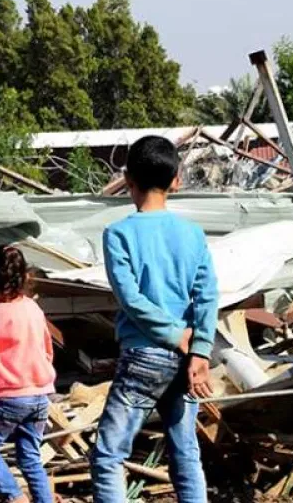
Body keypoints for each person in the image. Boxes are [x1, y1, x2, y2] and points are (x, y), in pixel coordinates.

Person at [90, 136, 217, 503]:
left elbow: (130, 298)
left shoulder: (118, 234)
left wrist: (171, 333)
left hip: (145, 356)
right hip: (187, 359)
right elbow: (207, 294)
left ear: (128, 178)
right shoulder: (192, 234)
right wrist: (201, 351)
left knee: (108, 456)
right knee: (185, 453)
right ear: (176, 179)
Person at [0, 246, 56, 503]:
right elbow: (47, 350)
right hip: (40, 394)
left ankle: (14, 495)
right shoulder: (33, 309)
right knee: (30, 456)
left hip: (8, 396)